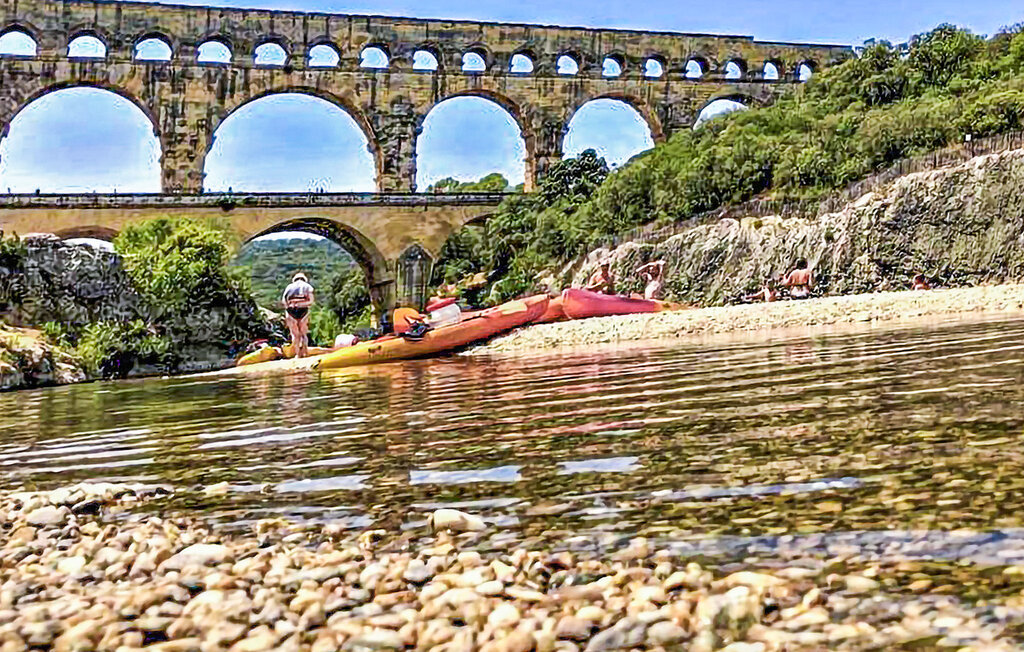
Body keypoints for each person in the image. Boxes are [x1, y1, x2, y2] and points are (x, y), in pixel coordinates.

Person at [282, 272, 315, 358]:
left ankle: (298, 354)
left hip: (291, 310)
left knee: (295, 334)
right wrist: (302, 304)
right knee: (303, 333)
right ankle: (305, 352)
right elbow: (311, 301)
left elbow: (284, 301)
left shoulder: (289, 287)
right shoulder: (308, 286)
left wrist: (290, 306)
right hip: (303, 309)